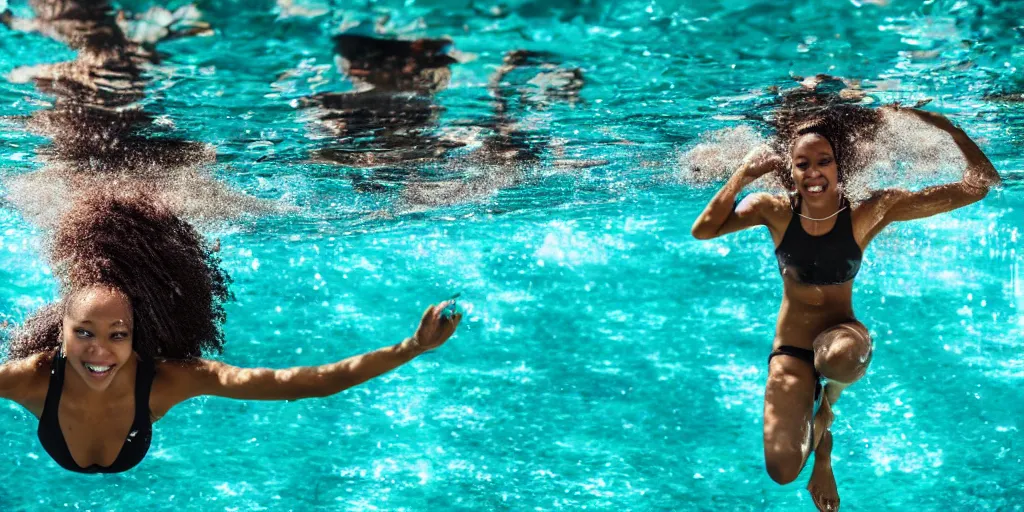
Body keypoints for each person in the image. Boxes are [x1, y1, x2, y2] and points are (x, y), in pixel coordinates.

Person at [0, 189, 462, 474]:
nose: (99, 350)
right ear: (59, 329)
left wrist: (413, 347)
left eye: (118, 335)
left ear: (137, 334)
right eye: (84, 333)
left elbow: (303, 384)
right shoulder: (32, 378)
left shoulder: (166, 381)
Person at [690, 105, 1000, 511]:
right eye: (803, 164)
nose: (814, 172)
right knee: (782, 471)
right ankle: (821, 440)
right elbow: (703, 230)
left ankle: (829, 401)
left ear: (840, 166)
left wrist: (947, 126)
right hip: (792, 349)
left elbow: (979, 185)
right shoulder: (775, 210)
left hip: (842, 336)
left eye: (824, 161)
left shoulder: (869, 212)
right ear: (792, 169)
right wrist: (744, 174)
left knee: (837, 357)